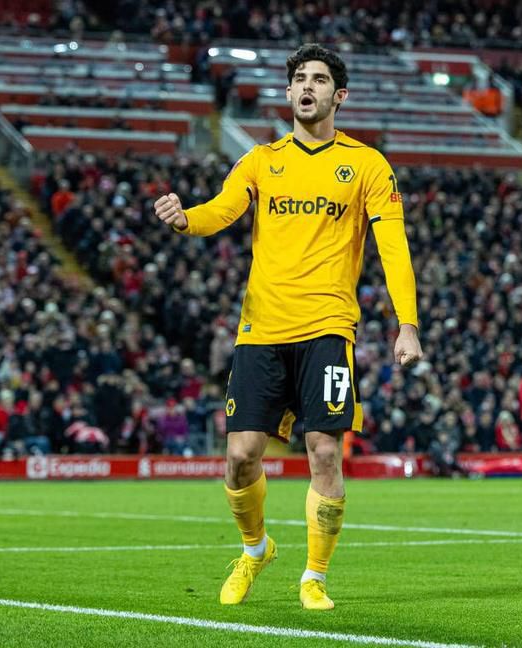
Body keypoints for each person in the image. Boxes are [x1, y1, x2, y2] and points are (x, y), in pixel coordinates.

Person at [154, 43, 422, 610]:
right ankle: (255, 551)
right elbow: (223, 209)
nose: (306, 86)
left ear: (338, 95)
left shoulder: (368, 165)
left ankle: (314, 577)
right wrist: (185, 219)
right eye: (299, 78)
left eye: (319, 79)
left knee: (324, 451)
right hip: (262, 329)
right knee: (240, 455)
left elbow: (393, 246)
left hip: (328, 327)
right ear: (287, 91)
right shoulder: (260, 160)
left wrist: (408, 324)